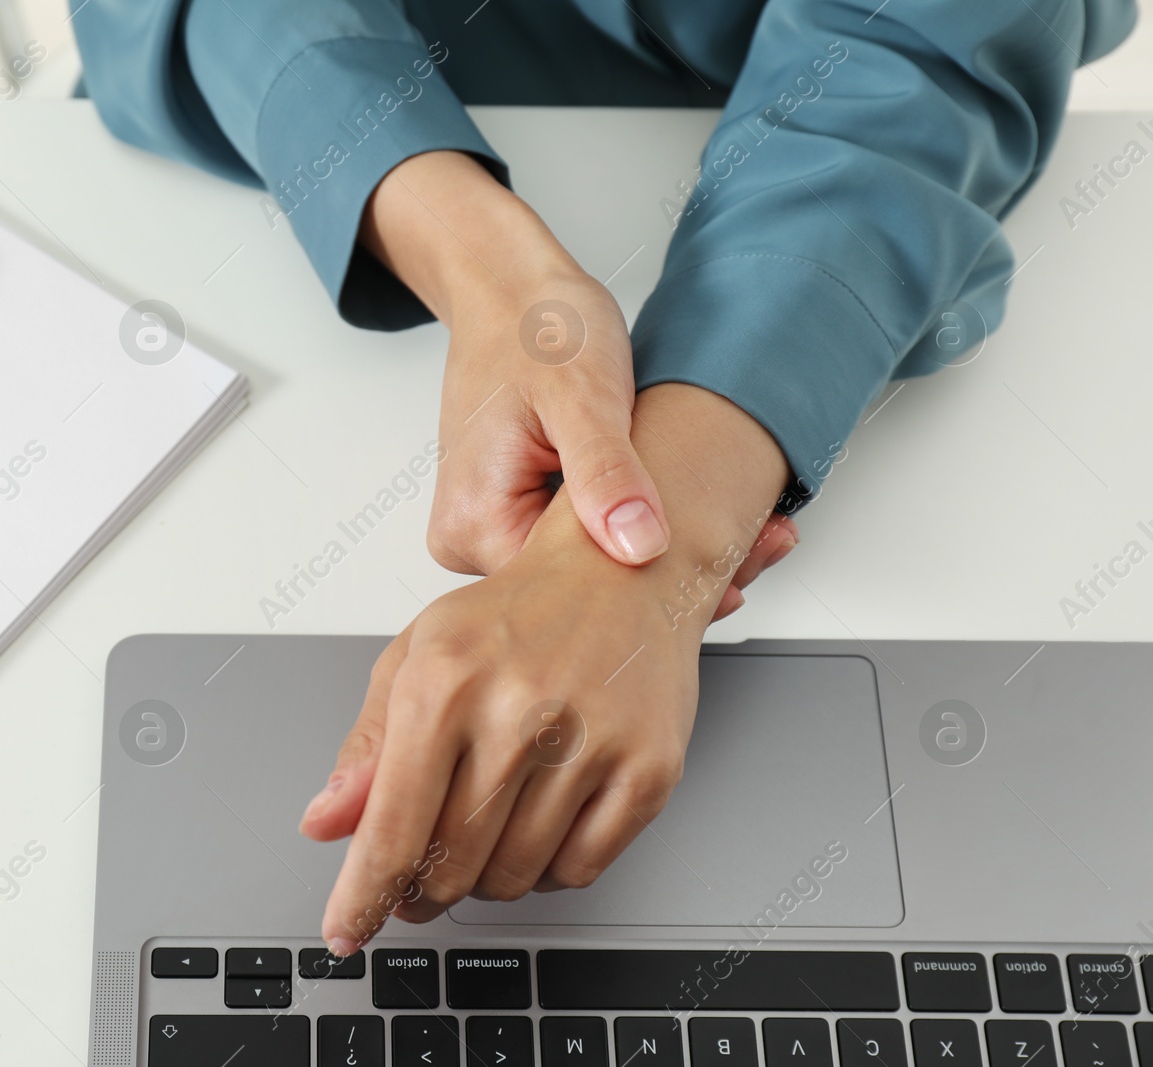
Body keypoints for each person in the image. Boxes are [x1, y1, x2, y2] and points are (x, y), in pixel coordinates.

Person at [71, 0, 1136, 955]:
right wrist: (485, 262)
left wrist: (630, 559)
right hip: (313, 123)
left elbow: (919, 51)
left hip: (777, 127)